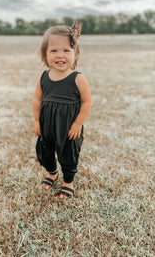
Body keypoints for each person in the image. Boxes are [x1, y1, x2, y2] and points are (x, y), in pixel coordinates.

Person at [32, 20, 92, 199]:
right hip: (47, 125)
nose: (60, 55)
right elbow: (37, 99)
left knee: (68, 155)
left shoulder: (77, 78)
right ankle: (52, 173)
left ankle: (68, 182)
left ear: (75, 53)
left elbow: (87, 102)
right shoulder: (44, 77)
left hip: (68, 127)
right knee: (45, 153)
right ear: (45, 54)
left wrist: (77, 124)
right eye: (54, 50)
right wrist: (37, 120)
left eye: (66, 50)